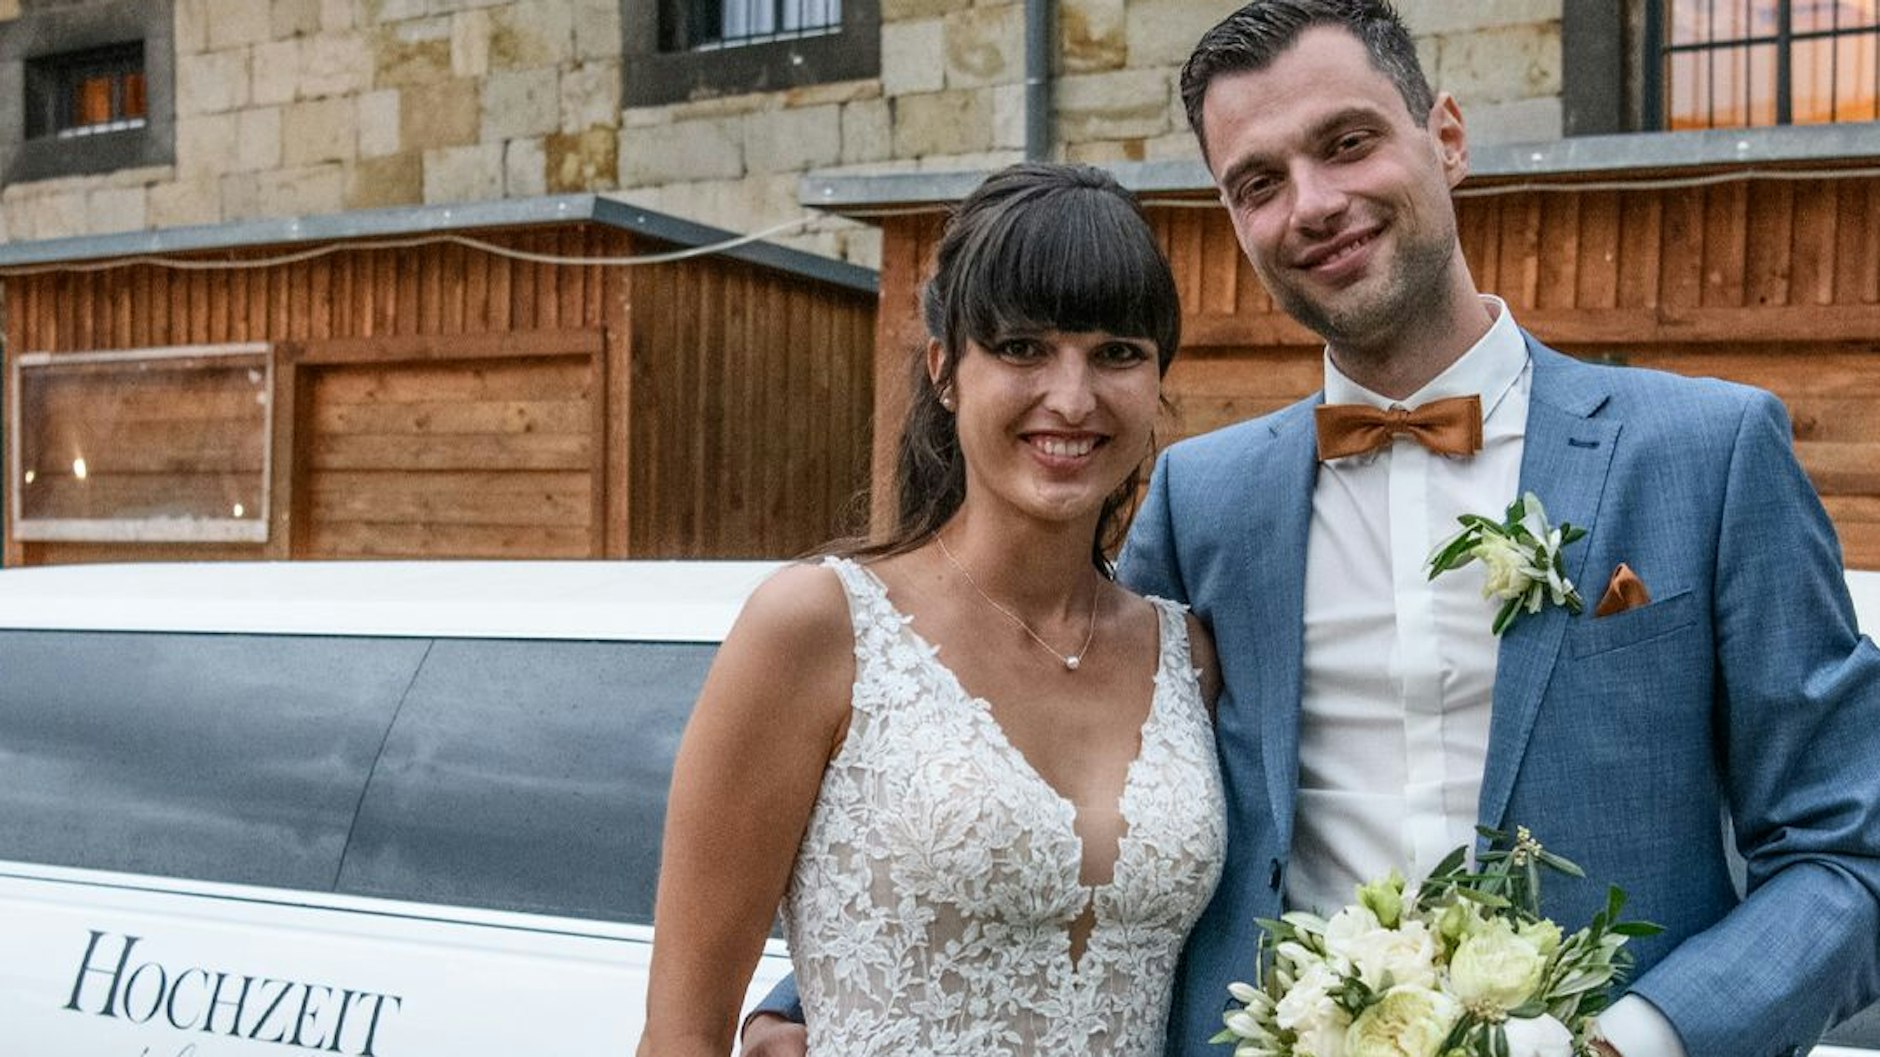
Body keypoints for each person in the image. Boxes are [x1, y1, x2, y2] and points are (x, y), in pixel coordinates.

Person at [747, 3, 1880, 1057]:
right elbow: (1047, 747)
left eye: (1345, 144)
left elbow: (1844, 856)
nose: (1311, 205)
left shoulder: (1708, 454)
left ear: (1445, 136)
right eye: (1256, 182)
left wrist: (1626, 1040)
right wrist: (824, 991)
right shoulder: (1202, 495)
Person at [637, 162, 1227, 1057]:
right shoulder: (817, 628)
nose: (1072, 397)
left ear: (1156, 383)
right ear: (946, 370)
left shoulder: (1187, 652)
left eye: (1117, 352)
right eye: (1024, 347)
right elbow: (681, 1037)